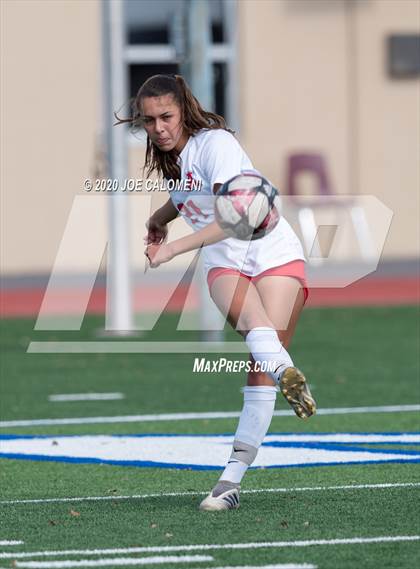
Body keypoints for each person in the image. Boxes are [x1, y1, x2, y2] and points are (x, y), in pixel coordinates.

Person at [118, 74, 316, 512]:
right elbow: (189, 192)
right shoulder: (180, 158)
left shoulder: (217, 144)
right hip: (226, 261)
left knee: (260, 360)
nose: (159, 128)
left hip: (271, 250)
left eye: (166, 116)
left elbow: (235, 217)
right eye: (149, 121)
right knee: (259, 337)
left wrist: (170, 248)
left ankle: (229, 483)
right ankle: (287, 372)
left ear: (184, 110)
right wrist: (160, 216)